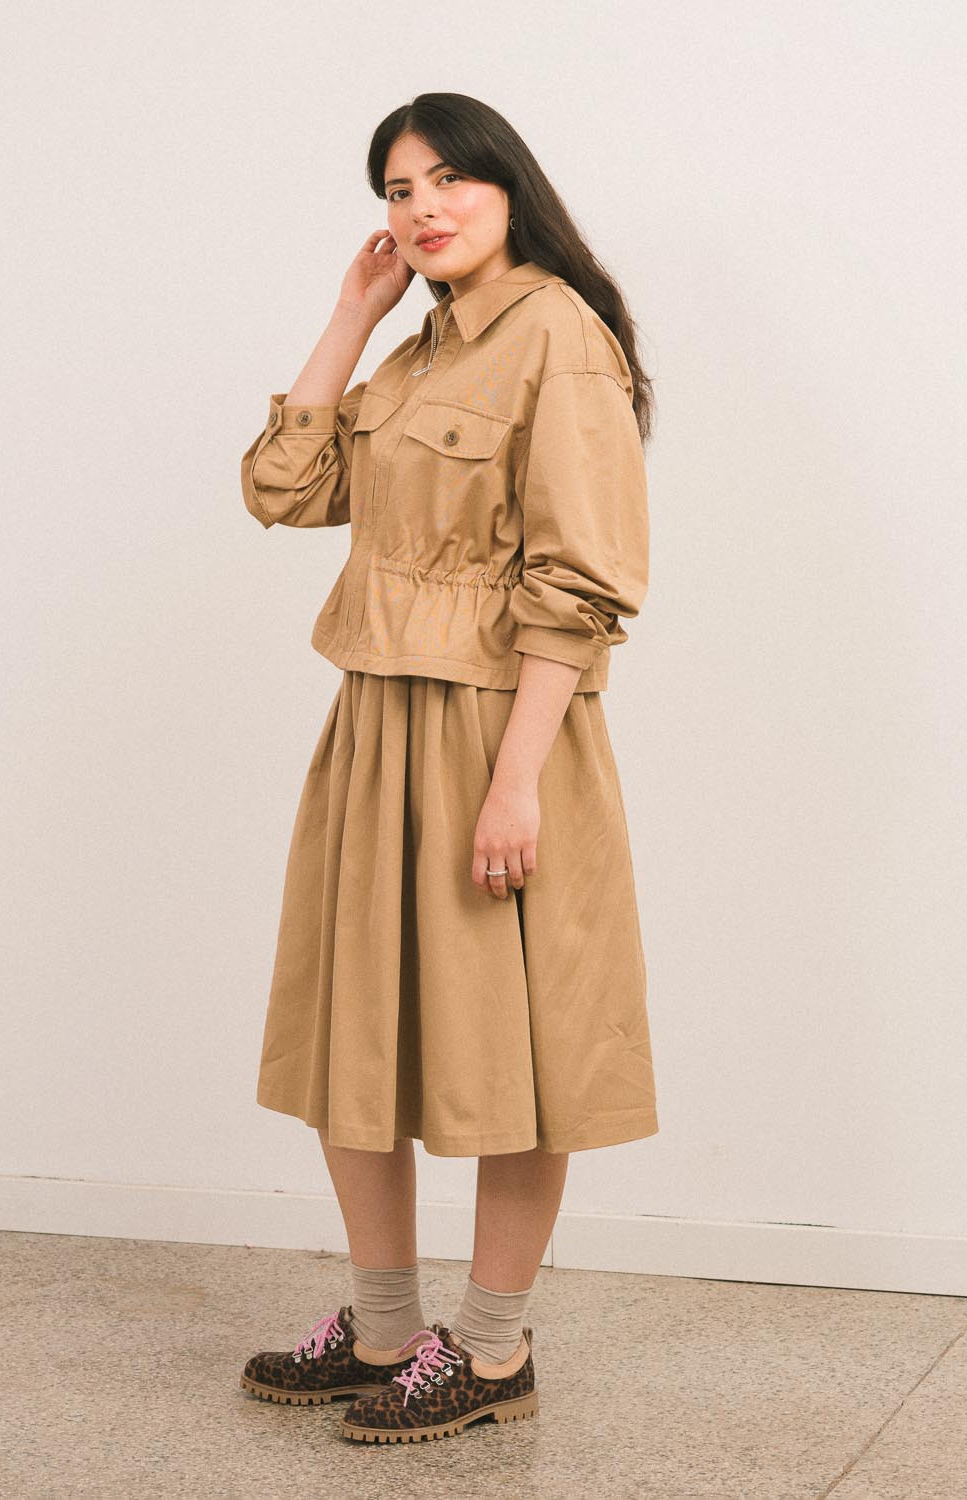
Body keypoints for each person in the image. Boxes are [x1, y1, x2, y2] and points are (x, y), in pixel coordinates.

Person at [235, 92, 658, 1444]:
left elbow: (583, 582)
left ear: (508, 186)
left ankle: (490, 1347)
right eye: (398, 188)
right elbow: (286, 488)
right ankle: (383, 1328)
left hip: (496, 732)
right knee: (354, 1030)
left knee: (509, 1047)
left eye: (448, 180)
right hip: (375, 728)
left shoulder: (561, 341)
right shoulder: (419, 352)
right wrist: (352, 318)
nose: (421, 208)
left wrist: (517, 780)